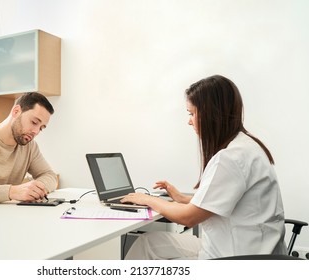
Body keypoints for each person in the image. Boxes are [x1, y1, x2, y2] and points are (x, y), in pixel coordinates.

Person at [121, 75, 287, 259]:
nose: (189, 121)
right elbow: (225, 200)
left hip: (236, 258)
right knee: (149, 244)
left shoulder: (230, 158)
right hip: (248, 250)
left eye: (192, 113)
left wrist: (147, 199)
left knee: (146, 249)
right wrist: (183, 199)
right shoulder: (246, 146)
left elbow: (188, 218)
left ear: (211, 114)